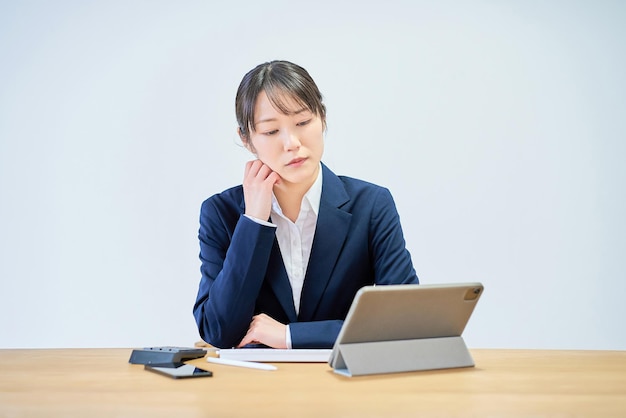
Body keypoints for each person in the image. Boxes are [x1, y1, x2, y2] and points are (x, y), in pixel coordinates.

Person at [193, 60, 419, 349]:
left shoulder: (372, 205)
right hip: (254, 389)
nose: (292, 142)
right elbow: (219, 331)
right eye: (271, 131)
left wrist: (289, 336)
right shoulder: (220, 213)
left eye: (302, 122)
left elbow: (405, 323)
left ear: (322, 118)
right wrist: (254, 222)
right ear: (247, 140)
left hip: (344, 382)